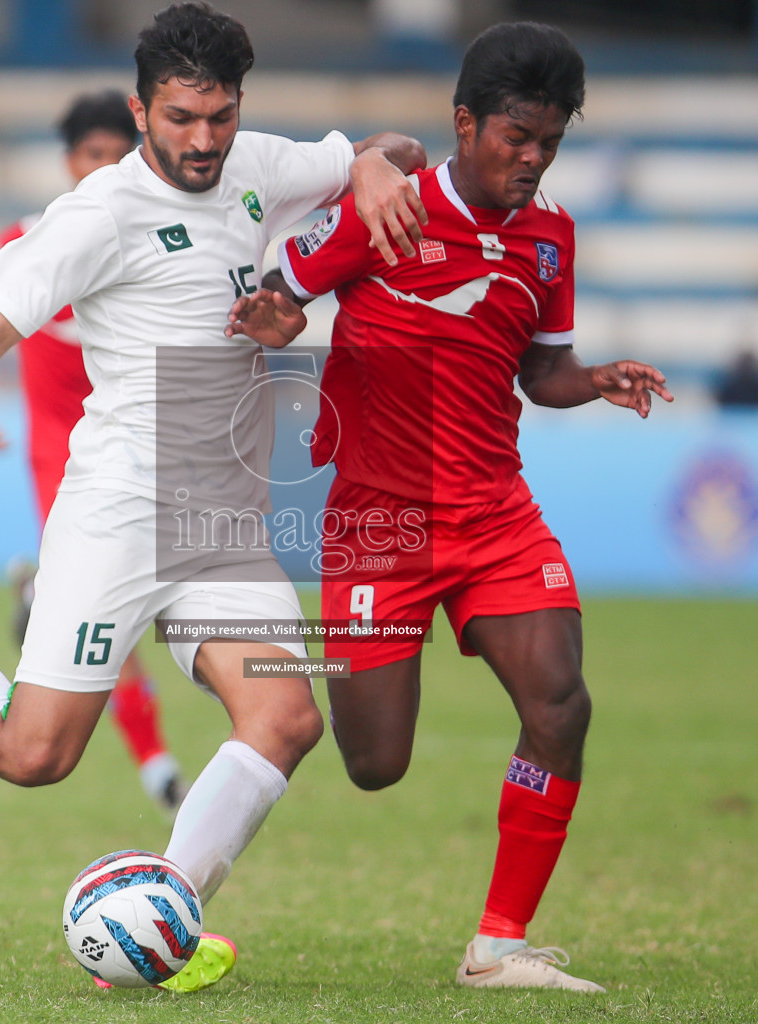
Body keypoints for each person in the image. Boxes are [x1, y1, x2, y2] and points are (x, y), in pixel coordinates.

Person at [0, 1, 424, 992]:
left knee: (285, 721)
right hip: (118, 517)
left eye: (219, 116)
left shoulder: (261, 165)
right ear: (141, 111)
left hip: (222, 526)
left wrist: (377, 163)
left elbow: (387, 148)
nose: (203, 140)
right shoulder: (98, 214)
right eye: (181, 118)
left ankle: (160, 914)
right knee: (32, 755)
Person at [229, 21, 671, 991]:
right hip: (374, 527)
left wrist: (594, 378)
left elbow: (540, 369)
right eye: (516, 135)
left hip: (493, 514)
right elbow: (281, 290)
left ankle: (499, 941)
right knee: (374, 763)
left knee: (560, 700)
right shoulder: (382, 209)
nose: (532, 157)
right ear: (464, 123)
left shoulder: (550, 236)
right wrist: (272, 315)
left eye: (550, 140)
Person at [0, 91, 186, 816]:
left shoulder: (160, 237)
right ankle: (158, 765)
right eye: (93, 156)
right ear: (68, 162)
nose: (106, 168)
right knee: (108, 618)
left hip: (158, 456)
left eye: (119, 156)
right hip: (65, 458)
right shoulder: (29, 240)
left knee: (158, 610)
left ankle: (39, 593)